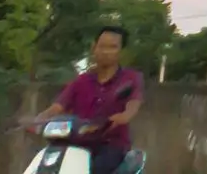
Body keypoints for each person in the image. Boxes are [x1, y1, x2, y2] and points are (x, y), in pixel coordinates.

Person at [40, 24, 145, 174]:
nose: (106, 52)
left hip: (110, 145)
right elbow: (58, 106)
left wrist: (124, 116)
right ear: (94, 47)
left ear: (121, 51)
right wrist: (38, 119)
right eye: (102, 46)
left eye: (112, 47)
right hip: (77, 143)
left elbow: (134, 103)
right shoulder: (82, 81)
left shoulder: (131, 78)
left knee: (97, 170)